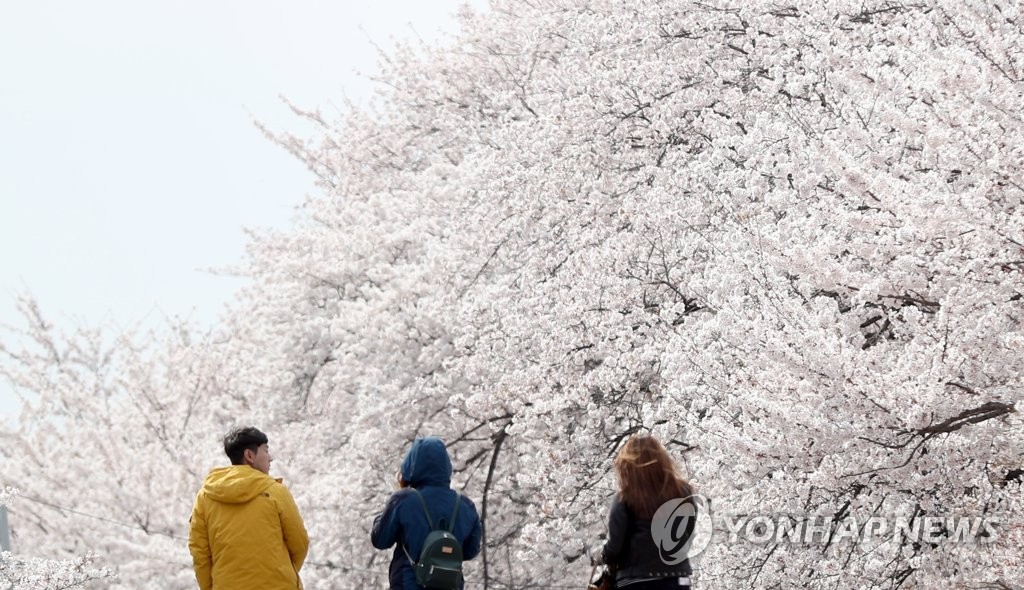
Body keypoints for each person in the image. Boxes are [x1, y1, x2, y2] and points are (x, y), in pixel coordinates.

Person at [188, 426, 309, 590]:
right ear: (250, 455)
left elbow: (199, 552)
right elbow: (299, 542)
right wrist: (282, 571)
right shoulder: (275, 492)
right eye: (266, 450)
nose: (270, 458)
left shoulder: (205, 497)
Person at [371, 436, 483, 589]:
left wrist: (384, 514)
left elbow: (380, 540)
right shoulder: (465, 505)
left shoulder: (404, 500)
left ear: (411, 464)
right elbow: (471, 551)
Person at [598, 435, 696, 589]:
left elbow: (615, 547)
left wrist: (603, 556)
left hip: (637, 580)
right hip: (677, 577)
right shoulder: (683, 491)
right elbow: (687, 534)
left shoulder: (626, 497)